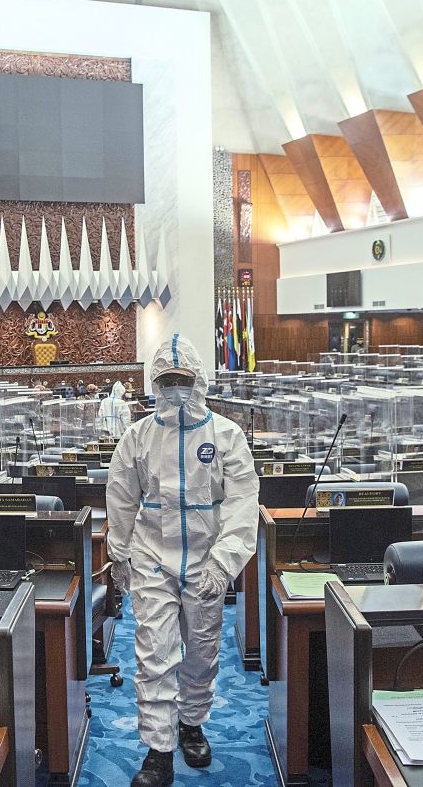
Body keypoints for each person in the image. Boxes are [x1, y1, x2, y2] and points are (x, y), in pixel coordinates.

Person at [106, 335, 260, 786]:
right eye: (166, 381)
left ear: (199, 380)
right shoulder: (138, 438)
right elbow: (120, 499)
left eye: (182, 379)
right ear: (153, 383)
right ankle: (158, 751)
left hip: (206, 563)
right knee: (154, 654)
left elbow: (243, 504)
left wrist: (223, 563)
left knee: (202, 652)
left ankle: (191, 723)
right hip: (152, 559)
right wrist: (119, 557)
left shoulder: (226, 436)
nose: (175, 388)